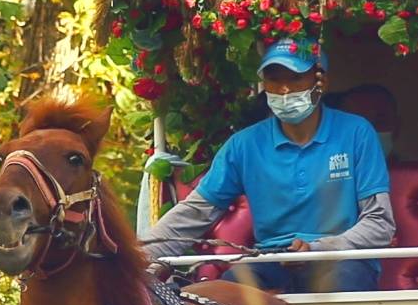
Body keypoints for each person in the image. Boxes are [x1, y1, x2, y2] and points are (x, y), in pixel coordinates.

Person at [147, 38, 393, 291]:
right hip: (272, 259)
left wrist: (318, 248)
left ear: (322, 82)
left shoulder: (356, 132)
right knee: (232, 288)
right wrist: (138, 255)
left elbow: (380, 224)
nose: (284, 89)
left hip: (339, 259)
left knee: (345, 279)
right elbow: (194, 213)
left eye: (295, 78)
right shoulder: (243, 145)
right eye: (274, 79)